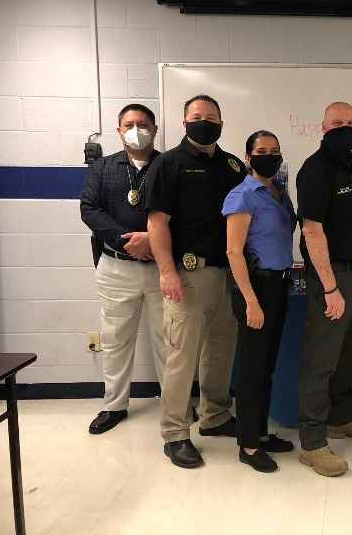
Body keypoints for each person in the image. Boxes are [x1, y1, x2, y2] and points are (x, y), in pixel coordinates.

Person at [144, 94, 246, 469]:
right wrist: (167, 271)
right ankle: (174, 433)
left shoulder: (233, 165)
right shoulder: (168, 164)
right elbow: (157, 223)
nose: (205, 121)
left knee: (221, 349)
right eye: (197, 116)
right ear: (184, 122)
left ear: (221, 122)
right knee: (182, 356)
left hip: (228, 274)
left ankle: (215, 415)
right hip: (188, 274)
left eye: (212, 116)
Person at [295, 101, 352, 477]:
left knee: (350, 352)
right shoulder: (314, 169)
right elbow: (311, 230)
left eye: (351, 123)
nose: (344, 128)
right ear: (323, 127)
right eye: (337, 123)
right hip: (330, 278)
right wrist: (330, 288)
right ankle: (312, 442)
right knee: (321, 361)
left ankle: (341, 418)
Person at [80, 103, 166, 434]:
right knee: (115, 341)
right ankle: (114, 406)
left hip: (163, 268)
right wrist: (126, 241)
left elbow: (184, 213)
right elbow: (89, 208)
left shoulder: (169, 165)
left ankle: (173, 404)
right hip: (116, 266)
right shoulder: (102, 167)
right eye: (128, 125)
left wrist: (151, 240)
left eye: (143, 124)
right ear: (119, 131)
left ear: (154, 129)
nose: (136, 130)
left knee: (168, 340)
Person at [224, 130, 297, 473]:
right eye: (261, 151)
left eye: (275, 151)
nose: (269, 156)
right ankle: (248, 445)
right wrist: (251, 301)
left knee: (266, 366)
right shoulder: (243, 195)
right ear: (248, 157)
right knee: (252, 370)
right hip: (255, 288)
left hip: (279, 285)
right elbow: (233, 252)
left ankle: (261, 433)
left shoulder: (280, 193)